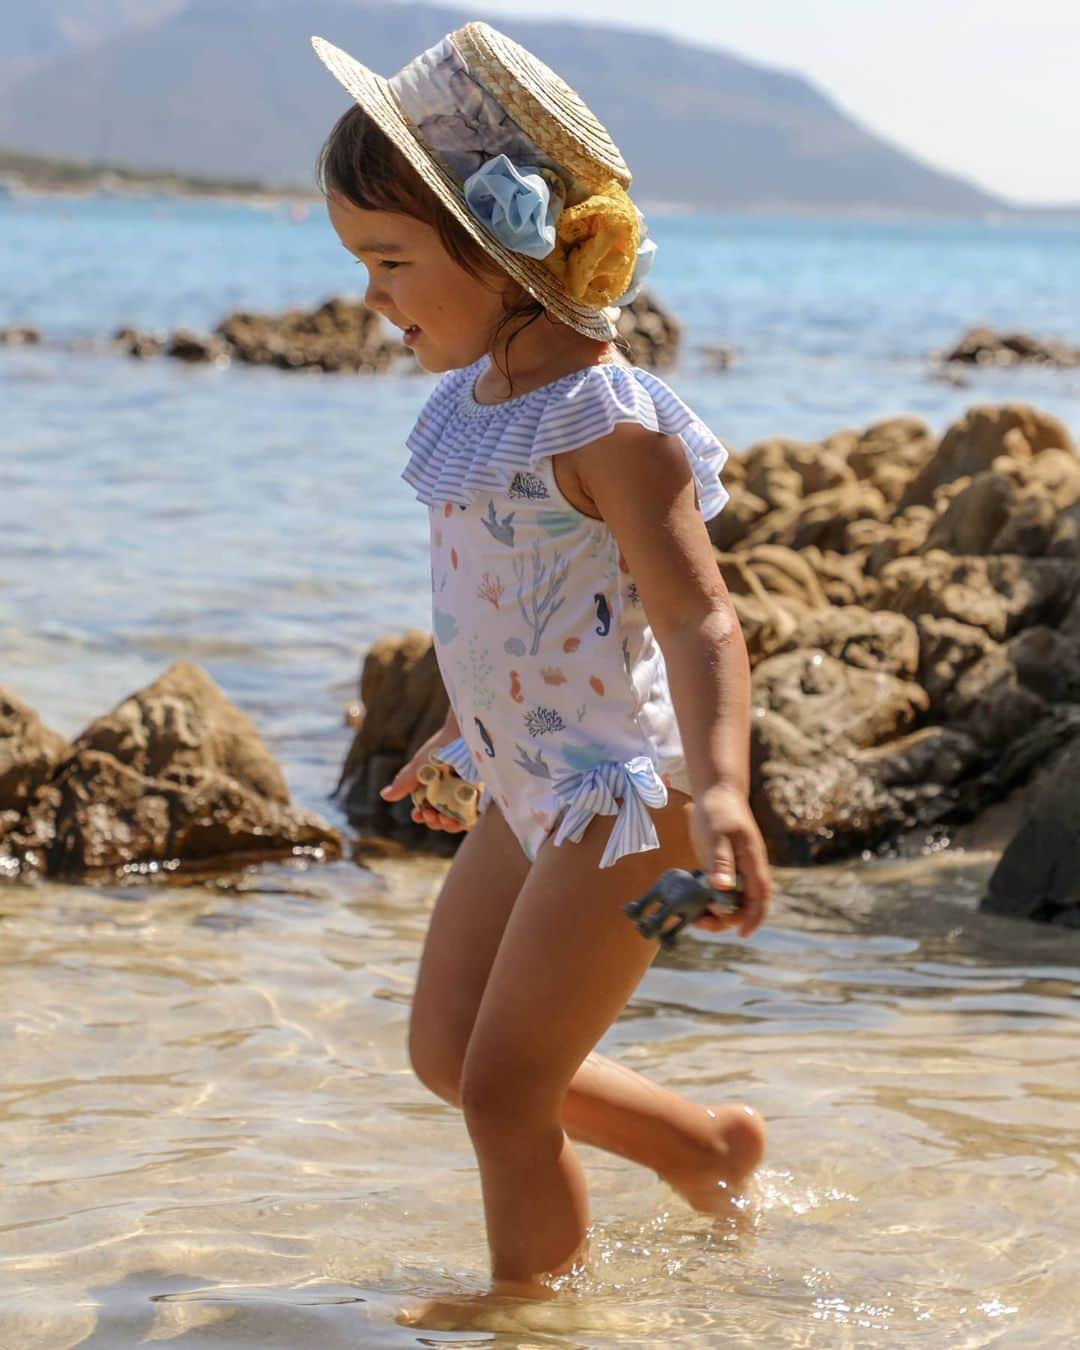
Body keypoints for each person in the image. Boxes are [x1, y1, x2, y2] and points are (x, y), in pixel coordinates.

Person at [311, 20, 773, 1327]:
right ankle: (701, 1146)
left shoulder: (610, 424)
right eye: (363, 265)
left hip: (631, 805)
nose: (370, 299)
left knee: (508, 1088)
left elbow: (697, 622)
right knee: (446, 1054)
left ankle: (531, 1310)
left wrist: (725, 795)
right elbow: (514, 609)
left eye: (391, 261)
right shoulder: (471, 407)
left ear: (506, 249)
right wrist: (467, 727)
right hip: (529, 787)